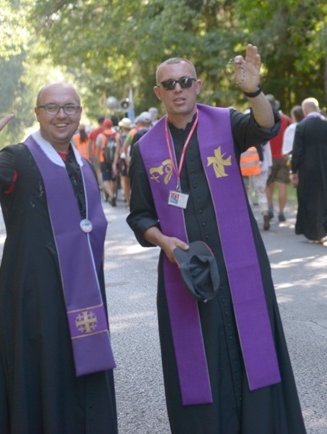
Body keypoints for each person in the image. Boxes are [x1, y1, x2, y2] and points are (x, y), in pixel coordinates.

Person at [126, 44, 305, 433]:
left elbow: (264, 127)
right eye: (169, 84)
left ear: (198, 86)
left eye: (185, 82)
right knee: (200, 358)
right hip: (184, 268)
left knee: (252, 347)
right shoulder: (144, 148)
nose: (179, 89)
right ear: (158, 92)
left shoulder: (225, 122)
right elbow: (139, 215)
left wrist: (255, 92)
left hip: (238, 260)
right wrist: (163, 242)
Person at [0, 85, 118, 432]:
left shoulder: (85, 165)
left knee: (84, 375)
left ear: (80, 113)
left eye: (69, 108)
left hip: (85, 296)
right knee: (41, 374)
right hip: (36, 297)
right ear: (37, 113)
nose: (61, 115)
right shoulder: (19, 157)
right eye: (51, 107)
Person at [290, 97, 327, 243]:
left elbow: (297, 151)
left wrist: (294, 169)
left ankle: (317, 234)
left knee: (313, 199)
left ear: (305, 111)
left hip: (308, 168)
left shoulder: (302, 126)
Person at [264, 94, 293, 224]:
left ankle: (270, 207)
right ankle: (281, 211)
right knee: (282, 185)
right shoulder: (286, 120)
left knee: (268, 185)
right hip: (284, 156)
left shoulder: (264, 120)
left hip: (269, 157)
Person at [240, 142, 272, 229]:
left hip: (245, 164)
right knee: (261, 191)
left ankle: (249, 218)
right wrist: (269, 165)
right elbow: (267, 150)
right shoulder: (263, 131)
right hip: (261, 164)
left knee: (247, 192)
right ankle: (265, 213)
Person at [96, 117, 118, 206]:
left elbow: (97, 151)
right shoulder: (117, 135)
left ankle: (111, 195)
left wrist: (98, 160)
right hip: (114, 161)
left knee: (106, 179)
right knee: (114, 178)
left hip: (103, 160)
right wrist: (116, 162)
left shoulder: (101, 136)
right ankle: (114, 194)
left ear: (104, 126)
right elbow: (118, 149)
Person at [113, 117, 134, 207]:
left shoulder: (120, 137)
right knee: (133, 181)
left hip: (123, 159)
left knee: (124, 180)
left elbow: (117, 151)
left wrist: (114, 163)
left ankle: (128, 201)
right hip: (132, 158)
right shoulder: (133, 134)